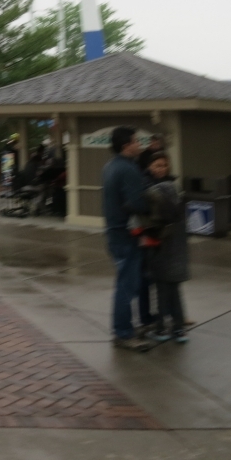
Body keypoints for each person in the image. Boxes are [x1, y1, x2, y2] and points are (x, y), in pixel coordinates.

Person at [101, 126, 151, 351]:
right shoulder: (128, 169)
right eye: (136, 141)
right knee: (126, 286)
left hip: (113, 232)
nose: (139, 145)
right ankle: (123, 332)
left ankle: (129, 326)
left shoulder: (109, 167)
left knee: (130, 282)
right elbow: (137, 203)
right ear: (126, 145)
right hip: (127, 234)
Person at [139, 153, 190, 344]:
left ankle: (163, 328)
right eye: (157, 165)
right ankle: (178, 328)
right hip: (173, 244)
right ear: (150, 166)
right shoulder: (173, 188)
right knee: (171, 287)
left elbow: (149, 217)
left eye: (164, 165)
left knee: (164, 288)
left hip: (161, 244)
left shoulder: (154, 189)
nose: (161, 169)